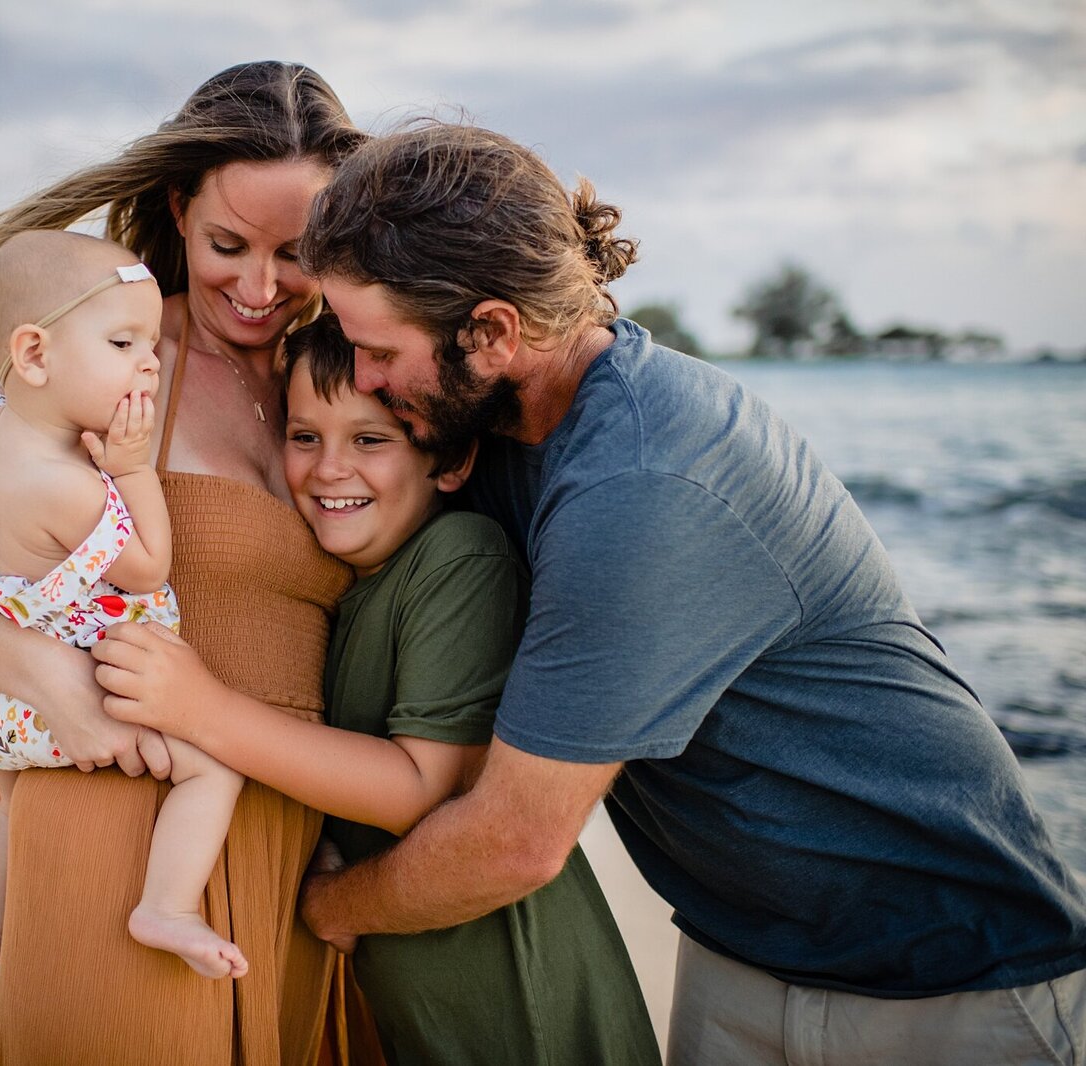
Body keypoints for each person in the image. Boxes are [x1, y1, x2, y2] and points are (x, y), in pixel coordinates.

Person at [280, 122, 1086, 1066]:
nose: (363, 380)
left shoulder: (641, 482)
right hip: (742, 952)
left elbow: (513, 844)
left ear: (493, 332)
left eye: (376, 350)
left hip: (953, 985)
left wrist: (332, 907)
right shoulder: (504, 425)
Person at [0, 61, 365, 1064]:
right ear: (177, 210)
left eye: (295, 253)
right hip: (121, 822)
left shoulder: (350, 378)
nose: (260, 289)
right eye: (227, 245)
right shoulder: (117, 363)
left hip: (300, 850)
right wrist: (45, 677)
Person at [91, 314, 662, 1065]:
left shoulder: (461, 558)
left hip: (518, 1002)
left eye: (370, 440)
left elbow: (420, 788)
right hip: (415, 1001)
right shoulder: (350, 587)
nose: (329, 468)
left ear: (450, 458)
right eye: (304, 437)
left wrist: (202, 710)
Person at [0, 229, 248, 978]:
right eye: (123, 343)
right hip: (87, 697)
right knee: (213, 770)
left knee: (11, 804)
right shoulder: (66, 485)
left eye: (151, 342)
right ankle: (166, 907)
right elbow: (148, 568)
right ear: (35, 354)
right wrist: (134, 470)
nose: (151, 362)